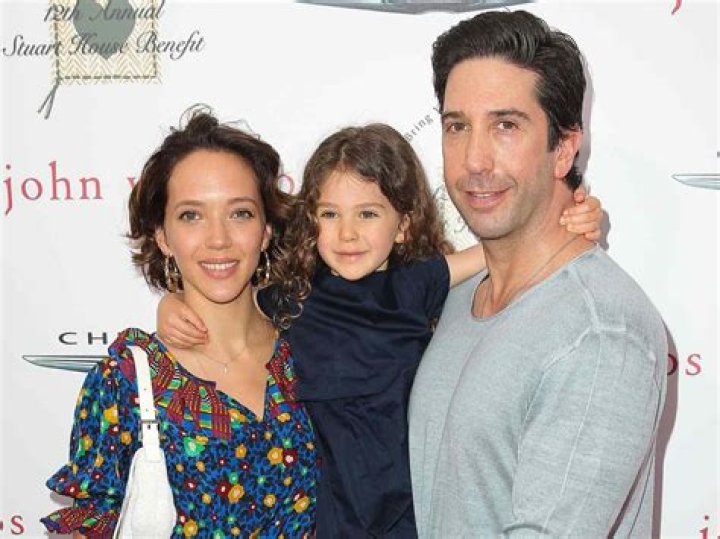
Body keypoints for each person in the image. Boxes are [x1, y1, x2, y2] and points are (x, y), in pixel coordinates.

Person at [159, 123, 603, 537]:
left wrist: (573, 219)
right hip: (325, 514)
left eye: (368, 214)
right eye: (330, 214)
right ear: (312, 223)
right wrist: (172, 301)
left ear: (403, 224)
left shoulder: (415, 286)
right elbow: (229, 299)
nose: (347, 234)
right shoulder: (296, 298)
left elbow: (507, 250)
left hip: (405, 511)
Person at [408, 10, 667, 537]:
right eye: (457, 126)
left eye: (505, 125)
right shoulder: (460, 297)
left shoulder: (600, 330)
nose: (474, 160)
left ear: (564, 148)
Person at [41, 110, 318, 538]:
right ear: (163, 236)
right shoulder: (126, 382)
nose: (218, 239)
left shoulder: (314, 352)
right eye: (191, 215)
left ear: (265, 230)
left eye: (240, 213)